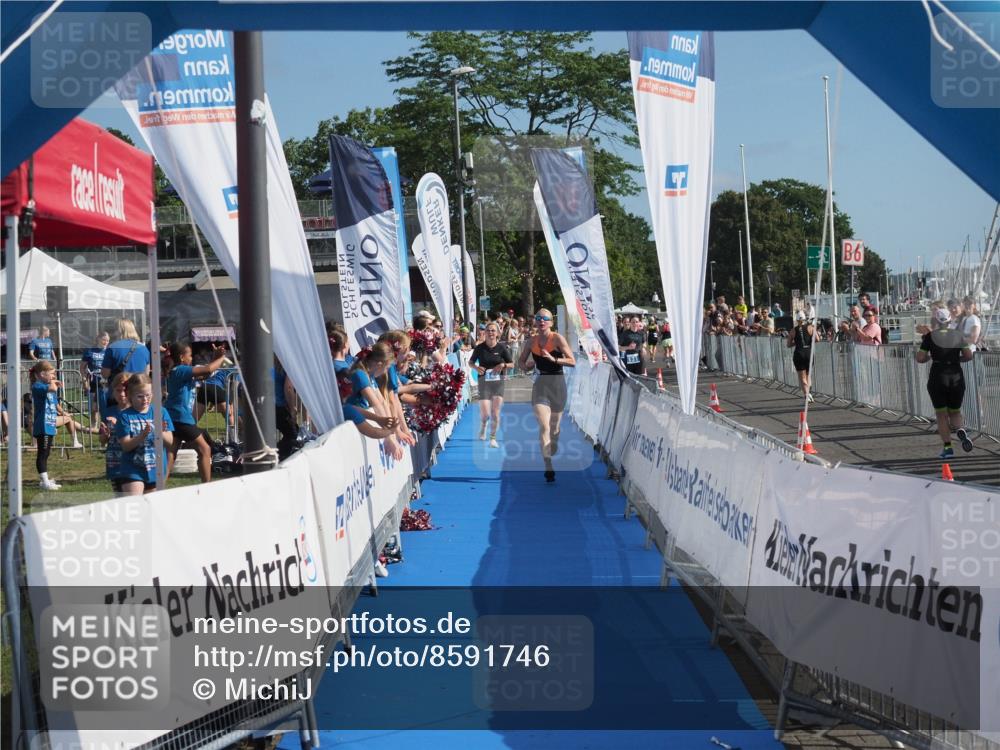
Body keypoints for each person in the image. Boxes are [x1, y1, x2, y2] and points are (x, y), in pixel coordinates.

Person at [518, 308, 575, 482]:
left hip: (558, 384)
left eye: (545, 318)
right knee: (544, 427)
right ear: (535, 322)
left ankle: (554, 441)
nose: (541, 321)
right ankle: (548, 466)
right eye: (538, 318)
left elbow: (572, 361)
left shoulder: (557, 338)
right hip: (541, 384)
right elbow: (520, 361)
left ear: (551, 322)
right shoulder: (531, 342)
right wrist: (525, 366)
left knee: (555, 428)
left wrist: (554, 360)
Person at [164, 342, 228, 483]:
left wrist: (215, 357)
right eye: (190, 355)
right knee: (205, 449)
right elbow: (208, 369)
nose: (192, 358)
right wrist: (222, 358)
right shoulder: (181, 370)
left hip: (173, 417)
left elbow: (206, 374)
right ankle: (207, 486)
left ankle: (158, 487)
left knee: (171, 453)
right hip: (181, 418)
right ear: (181, 357)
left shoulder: (179, 371)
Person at [915, 307, 974, 458]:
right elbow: (968, 355)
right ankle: (960, 429)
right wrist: (956, 360)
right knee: (955, 411)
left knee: (941, 415)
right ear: (949, 320)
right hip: (955, 376)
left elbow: (920, 358)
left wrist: (930, 358)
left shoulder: (930, 337)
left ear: (936, 320)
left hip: (938, 376)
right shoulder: (958, 335)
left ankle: (948, 448)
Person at [115, 374, 174, 495]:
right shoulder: (125, 416)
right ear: (130, 395)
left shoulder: (161, 412)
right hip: (132, 469)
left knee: (151, 509)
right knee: (135, 505)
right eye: (140, 396)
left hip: (155, 469)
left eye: (148, 395)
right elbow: (126, 446)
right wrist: (142, 435)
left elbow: (170, 441)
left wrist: (159, 431)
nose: (145, 399)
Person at [347, 343, 404, 460]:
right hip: (356, 425)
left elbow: (382, 402)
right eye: (387, 368)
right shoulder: (360, 374)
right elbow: (375, 404)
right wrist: (388, 437)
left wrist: (392, 434)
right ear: (379, 364)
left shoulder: (369, 375)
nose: (385, 372)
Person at [470, 321, 513, 447]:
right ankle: (483, 426)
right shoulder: (479, 348)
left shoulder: (501, 348)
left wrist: (503, 365)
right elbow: (471, 362)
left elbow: (512, 364)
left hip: (498, 383)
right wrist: (476, 368)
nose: (490, 333)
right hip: (483, 382)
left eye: (493, 330)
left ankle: (493, 438)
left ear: (498, 333)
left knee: (495, 412)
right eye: (488, 330)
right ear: (485, 332)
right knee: (485, 414)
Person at [101, 319, 152, 401]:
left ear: (119, 330)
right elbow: (146, 373)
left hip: (119, 393)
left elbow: (105, 374)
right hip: (138, 393)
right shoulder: (144, 348)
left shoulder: (112, 348)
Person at [98, 372, 132, 495]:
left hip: (132, 462)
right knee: (119, 497)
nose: (122, 394)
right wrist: (104, 435)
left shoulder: (136, 411)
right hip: (114, 462)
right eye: (118, 390)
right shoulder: (109, 411)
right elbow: (102, 441)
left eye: (125, 390)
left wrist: (118, 424)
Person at [81, 331, 110, 427]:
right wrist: (85, 381)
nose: (105, 342)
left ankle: (105, 426)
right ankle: (93, 426)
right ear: (98, 339)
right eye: (104, 340)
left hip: (105, 382)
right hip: (93, 381)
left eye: (107, 340)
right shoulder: (90, 351)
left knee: (104, 406)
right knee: (94, 407)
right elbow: (82, 367)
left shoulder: (110, 351)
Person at [787, 311, 816, 402]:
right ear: (804, 319)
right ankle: (809, 393)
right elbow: (818, 339)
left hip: (799, 353)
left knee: (802, 377)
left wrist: (797, 342)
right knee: (808, 375)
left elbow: (788, 344)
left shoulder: (793, 330)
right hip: (808, 353)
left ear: (797, 320)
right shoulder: (811, 327)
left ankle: (807, 395)